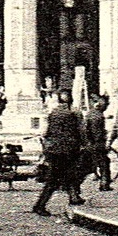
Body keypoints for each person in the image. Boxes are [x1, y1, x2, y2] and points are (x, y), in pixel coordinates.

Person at [30, 88, 85, 216]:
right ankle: (40, 205)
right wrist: (84, 144)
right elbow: (81, 130)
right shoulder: (74, 112)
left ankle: (74, 197)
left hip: (53, 149)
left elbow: (47, 132)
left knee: (70, 173)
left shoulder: (53, 112)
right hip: (68, 148)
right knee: (55, 179)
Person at [82, 93, 112, 192]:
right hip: (96, 143)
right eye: (106, 104)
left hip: (89, 143)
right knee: (103, 163)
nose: (107, 106)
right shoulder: (98, 116)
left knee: (93, 164)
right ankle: (104, 184)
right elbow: (96, 133)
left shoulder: (91, 113)